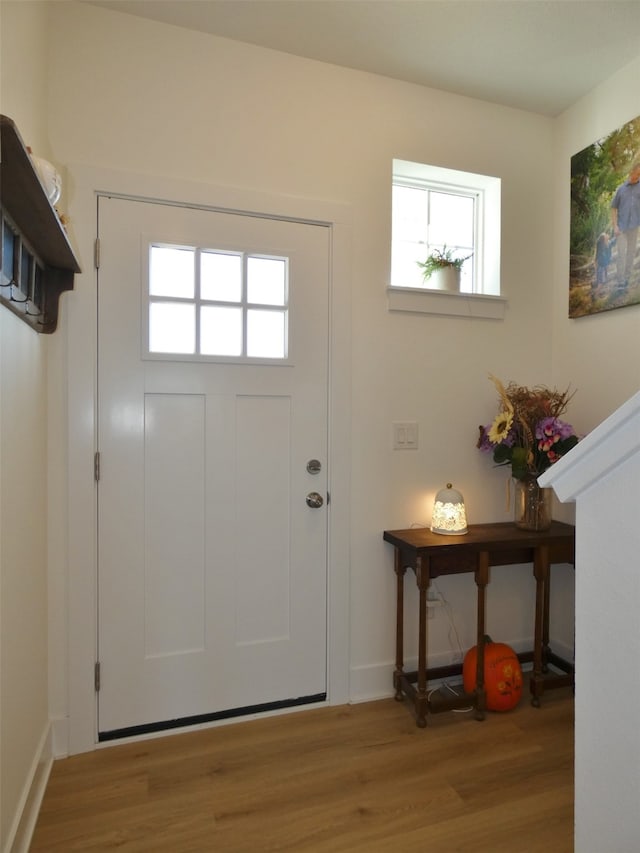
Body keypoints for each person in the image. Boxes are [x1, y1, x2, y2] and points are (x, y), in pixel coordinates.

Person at [610, 158, 640, 288]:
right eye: (637, 174)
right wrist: (615, 226)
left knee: (631, 253)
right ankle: (620, 281)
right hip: (621, 228)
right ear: (631, 172)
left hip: (634, 227)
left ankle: (626, 278)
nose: (638, 177)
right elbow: (613, 208)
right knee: (621, 254)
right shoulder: (621, 189)